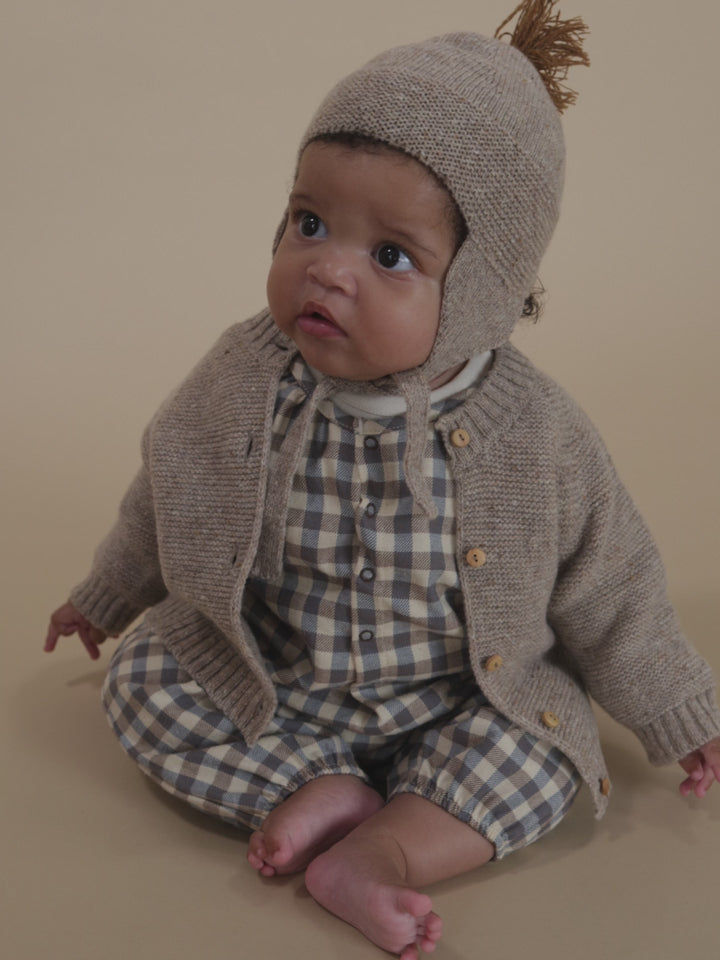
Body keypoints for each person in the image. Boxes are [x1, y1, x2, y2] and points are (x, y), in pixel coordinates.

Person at [44, 2, 720, 958]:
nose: (327, 270)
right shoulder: (244, 376)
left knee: (550, 753)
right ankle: (315, 787)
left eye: (390, 255)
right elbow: (171, 487)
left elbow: (612, 581)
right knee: (146, 678)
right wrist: (110, 591)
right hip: (274, 679)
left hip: (461, 701)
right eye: (309, 223)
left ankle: (382, 853)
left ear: (479, 289)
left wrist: (675, 707)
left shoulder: (536, 433)